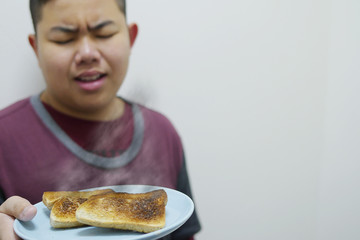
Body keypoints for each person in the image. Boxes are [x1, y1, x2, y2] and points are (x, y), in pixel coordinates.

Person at [0, 0, 201, 239]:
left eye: (104, 33)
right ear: (36, 48)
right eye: (64, 39)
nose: (87, 53)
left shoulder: (163, 132)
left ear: (130, 37)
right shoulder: (5, 138)